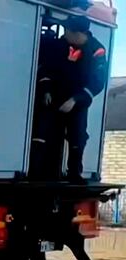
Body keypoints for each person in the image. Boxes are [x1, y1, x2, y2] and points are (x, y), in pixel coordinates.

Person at [31, 14, 108, 182]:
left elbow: (98, 82)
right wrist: (46, 90)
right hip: (55, 97)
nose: (64, 34)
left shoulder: (97, 50)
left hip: (78, 100)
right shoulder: (59, 45)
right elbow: (46, 69)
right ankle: (39, 173)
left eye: (67, 30)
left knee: (78, 136)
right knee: (46, 132)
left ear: (77, 33)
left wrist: (75, 100)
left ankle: (75, 174)